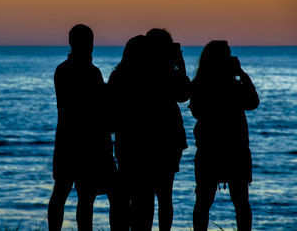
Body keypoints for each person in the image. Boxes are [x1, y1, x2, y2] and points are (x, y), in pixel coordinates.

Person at [108, 29, 190, 230]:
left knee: (138, 197)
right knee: (162, 196)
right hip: (165, 142)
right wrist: (179, 65)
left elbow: (111, 113)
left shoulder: (120, 75)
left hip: (131, 143)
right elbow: (184, 94)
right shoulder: (163, 74)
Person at [48, 24, 117, 231]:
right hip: (87, 141)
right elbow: (97, 106)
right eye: (89, 43)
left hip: (65, 138)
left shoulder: (61, 70)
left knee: (61, 191)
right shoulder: (91, 72)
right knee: (85, 195)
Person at [189, 41, 259, 231]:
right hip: (234, 148)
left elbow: (196, 111)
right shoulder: (233, 84)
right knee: (240, 201)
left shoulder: (200, 84)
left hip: (210, 148)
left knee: (204, 200)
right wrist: (240, 73)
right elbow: (253, 102)